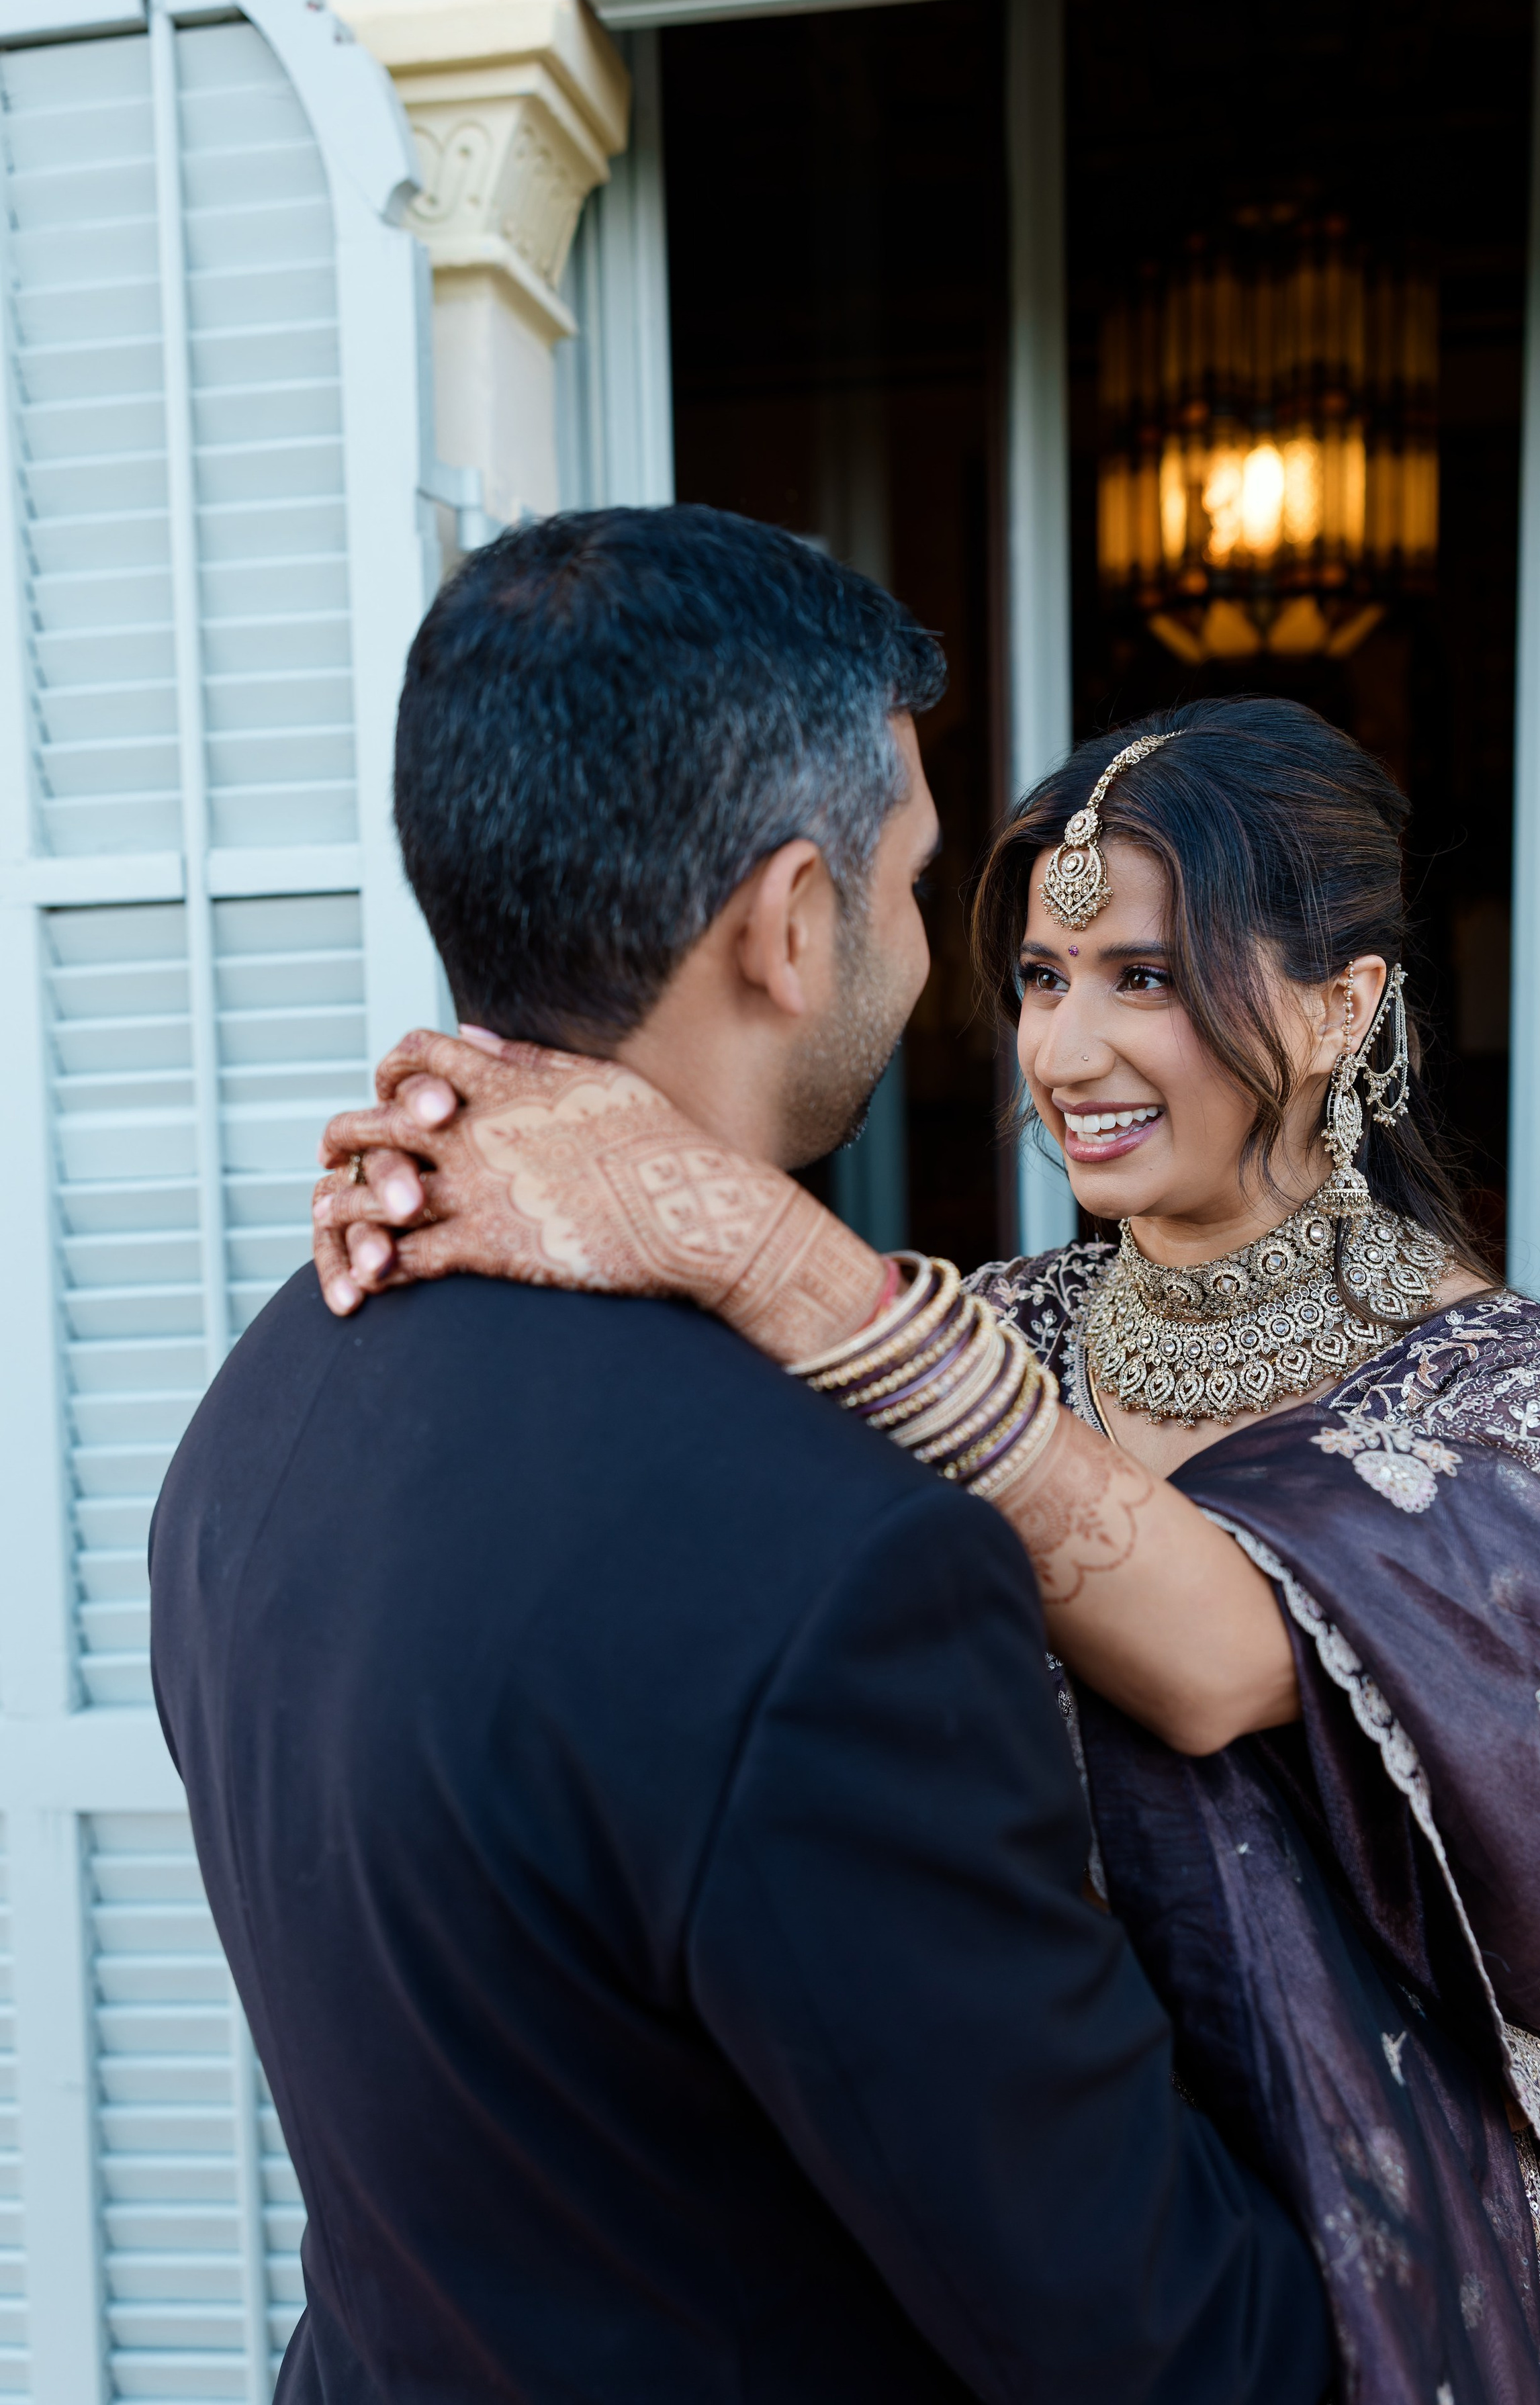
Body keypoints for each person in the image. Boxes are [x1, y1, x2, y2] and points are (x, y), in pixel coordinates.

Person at [315, 595, 1540, 2405]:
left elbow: (1222, 1648)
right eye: (1043, 983)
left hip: (1362, 2254)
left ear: (1341, 1005)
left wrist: (732, 1226)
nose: (1064, 1056)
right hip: (1040, 2240)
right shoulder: (996, 1334)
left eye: (1144, 977)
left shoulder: (1511, 1385)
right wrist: (476, 1169)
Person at [149, 506, 1332, 2405]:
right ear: (790, 921)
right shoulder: (840, 1567)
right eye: (916, 879)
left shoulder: (271, 1393)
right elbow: (1171, 2348)